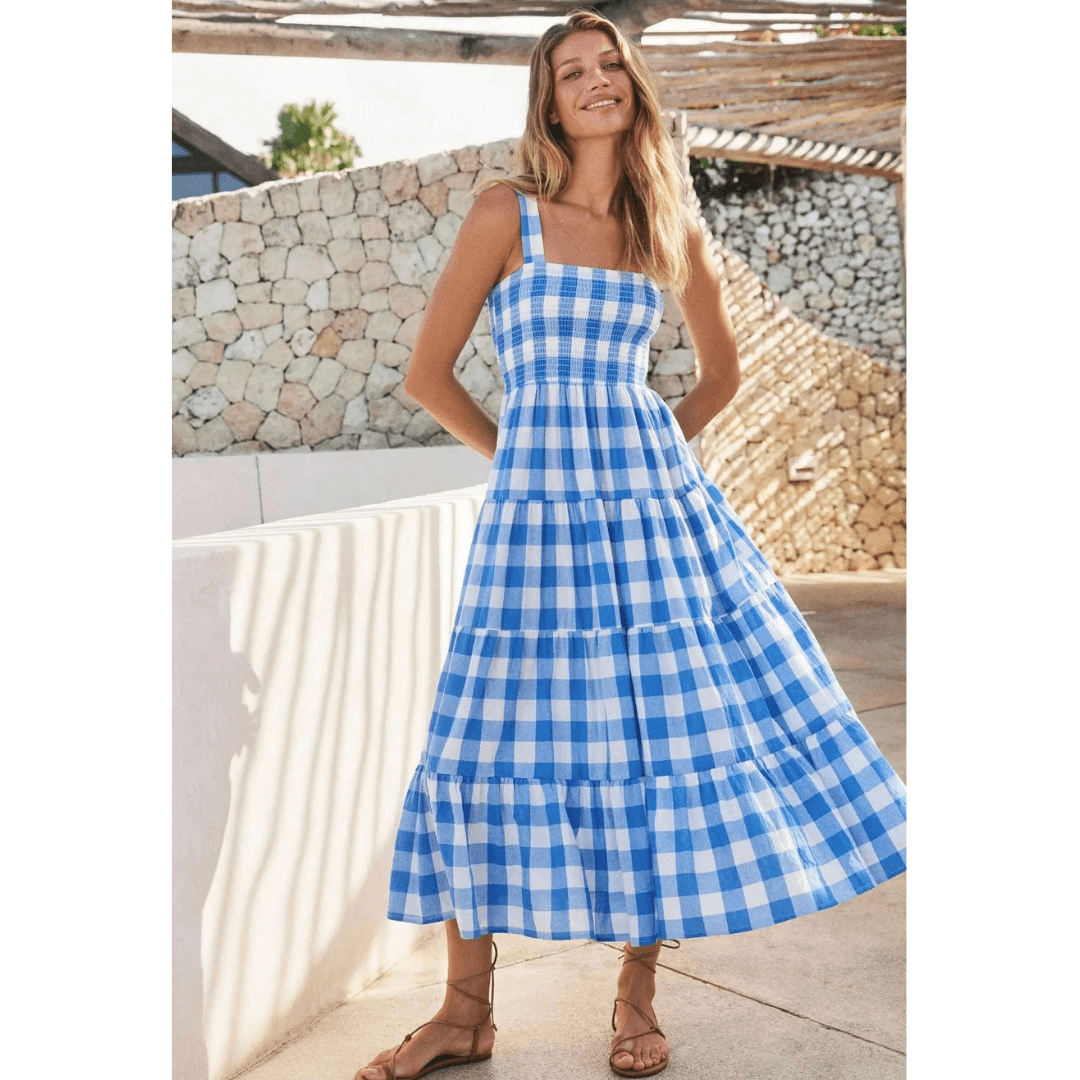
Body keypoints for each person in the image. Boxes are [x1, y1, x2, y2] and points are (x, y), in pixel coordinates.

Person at [356, 10, 907, 1080]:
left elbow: (721, 375)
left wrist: (646, 455)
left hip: (652, 521)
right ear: (550, 102)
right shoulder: (505, 214)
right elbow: (428, 375)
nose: (597, 80)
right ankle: (463, 1013)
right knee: (480, 743)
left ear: (633, 85)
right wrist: (525, 459)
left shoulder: (668, 229)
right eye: (573, 71)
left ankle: (637, 996)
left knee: (654, 743)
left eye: (611, 63)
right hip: (534, 527)